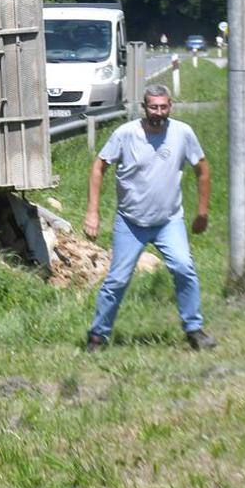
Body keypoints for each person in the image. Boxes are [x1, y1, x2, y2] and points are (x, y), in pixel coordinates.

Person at [83, 84, 216, 352]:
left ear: (170, 106)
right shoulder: (125, 134)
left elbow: (202, 169)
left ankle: (194, 329)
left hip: (169, 221)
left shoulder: (182, 133)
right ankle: (98, 336)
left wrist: (202, 212)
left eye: (163, 107)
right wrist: (92, 212)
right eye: (153, 107)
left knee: (184, 267)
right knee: (117, 280)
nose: (158, 112)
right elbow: (99, 167)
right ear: (144, 108)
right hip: (131, 222)